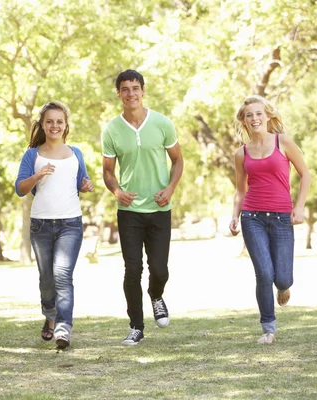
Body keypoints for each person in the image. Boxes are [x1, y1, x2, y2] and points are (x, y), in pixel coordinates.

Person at [102, 70, 184, 345]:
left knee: (159, 269)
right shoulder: (112, 129)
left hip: (160, 208)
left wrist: (170, 189)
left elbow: (178, 161)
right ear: (118, 94)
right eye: (125, 89)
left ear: (143, 90)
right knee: (132, 269)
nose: (131, 94)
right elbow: (107, 171)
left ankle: (156, 294)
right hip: (129, 212)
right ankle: (136, 326)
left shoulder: (162, 123)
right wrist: (117, 191)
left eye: (135, 88)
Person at [229, 95, 310, 345]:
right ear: (243, 121)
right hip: (252, 217)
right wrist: (234, 215)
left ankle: (284, 288)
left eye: (258, 113)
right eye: (249, 115)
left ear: (268, 116)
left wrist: (299, 207)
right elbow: (241, 190)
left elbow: (305, 174)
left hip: (282, 217)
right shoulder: (241, 153)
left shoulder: (282, 142)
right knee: (263, 273)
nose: (254, 118)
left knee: (283, 278)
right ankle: (269, 328)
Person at [15, 101, 93, 350]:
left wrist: (86, 185)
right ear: (43, 124)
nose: (55, 126)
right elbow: (20, 188)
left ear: (66, 124)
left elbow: (83, 182)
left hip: (70, 224)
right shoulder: (32, 155)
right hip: (41, 226)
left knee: (62, 275)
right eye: (50, 121)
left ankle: (63, 327)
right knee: (47, 280)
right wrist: (37, 176)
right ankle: (50, 316)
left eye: (59, 121)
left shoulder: (75, 153)